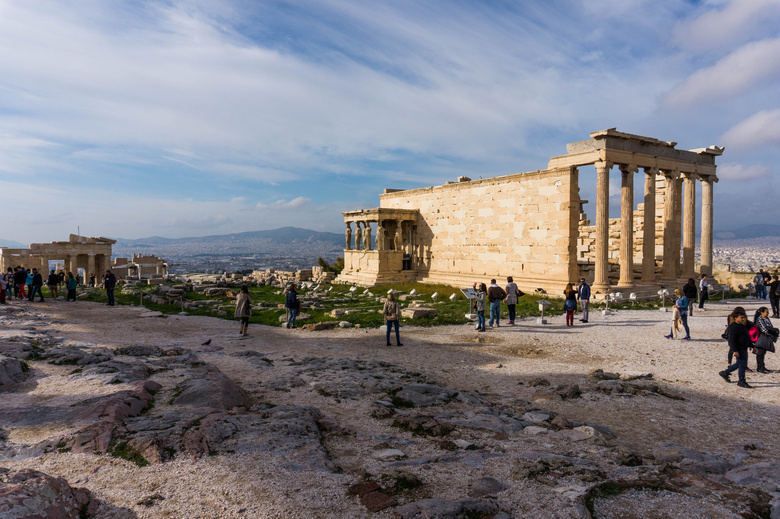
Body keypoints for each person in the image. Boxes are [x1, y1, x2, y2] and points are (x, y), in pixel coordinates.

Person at [720, 307, 752, 388]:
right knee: (742, 365)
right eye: (741, 318)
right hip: (739, 349)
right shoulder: (733, 327)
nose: (743, 319)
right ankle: (741, 381)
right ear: (736, 318)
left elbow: (747, 338)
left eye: (744, 317)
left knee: (739, 364)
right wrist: (734, 350)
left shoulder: (742, 326)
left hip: (744, 348)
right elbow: (732, 340)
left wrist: (753, 346)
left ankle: (725, 372)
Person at [753, 307, 777, 374]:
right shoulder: (760, 319)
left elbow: (770, 326)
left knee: (763, 352)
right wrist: (770, 333)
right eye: (766, 312)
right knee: (760, 352)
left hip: (766, 338)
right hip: (761, 337)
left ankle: (762, 366)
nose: (768, 313)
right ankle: (759, 367)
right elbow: (763, 329)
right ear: (762, 313)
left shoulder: (766, 318)